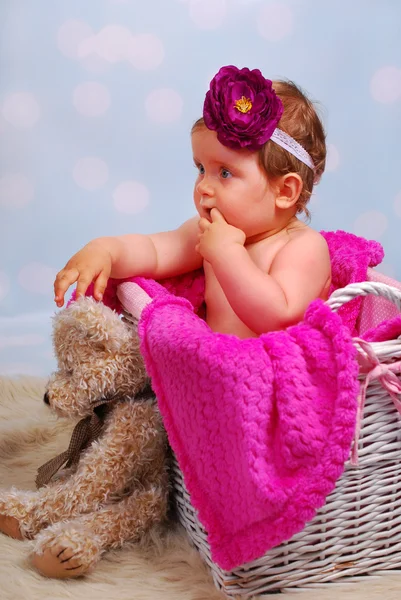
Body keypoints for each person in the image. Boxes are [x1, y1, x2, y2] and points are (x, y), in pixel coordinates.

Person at [54, 65, 331, 338]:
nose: (204, 187)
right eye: (201, 168)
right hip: (214, 370)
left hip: (273, 374)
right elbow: (155, 251)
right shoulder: (206, 232)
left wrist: (227, 254)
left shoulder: (301, 247)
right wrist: (107, 250)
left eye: (225, 173)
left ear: (285, 191)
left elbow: (280, 318)